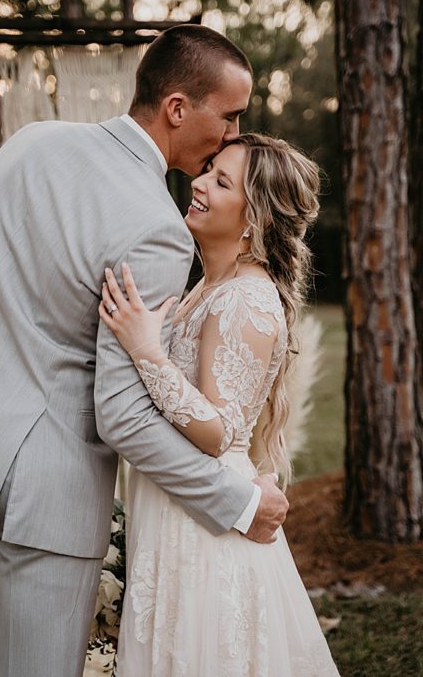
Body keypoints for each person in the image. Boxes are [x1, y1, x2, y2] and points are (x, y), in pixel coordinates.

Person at [0, 25, 290, 677]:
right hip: (48, 497)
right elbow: (122, 414)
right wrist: (235, 500)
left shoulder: (28, 144)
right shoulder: (158, 228)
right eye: (229, 116)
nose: (233, 133)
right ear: (178, 108)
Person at [100, 133, 338, 674]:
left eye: (221, 181)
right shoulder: (208, 288)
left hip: (205, 525)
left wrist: (146, 351)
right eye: (207, 170)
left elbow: (217, 430)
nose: (199, 184)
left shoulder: (247, 299)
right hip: (178, 504)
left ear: (253, 219)